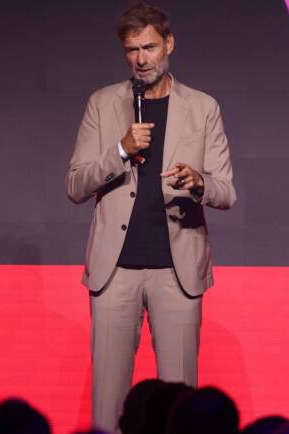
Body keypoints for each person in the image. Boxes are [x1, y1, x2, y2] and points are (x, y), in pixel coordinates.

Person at [65, 2, 236, 432]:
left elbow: (225, 191)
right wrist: (120, 150)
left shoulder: (202, 107)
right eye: (131, 50)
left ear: (169, 45)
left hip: (177, 271)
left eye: (149, 47)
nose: (141, 59)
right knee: (109, 404)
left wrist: (197, 181)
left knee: (180, 406)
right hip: (115, 271)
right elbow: (76, 185)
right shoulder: (103, 104)